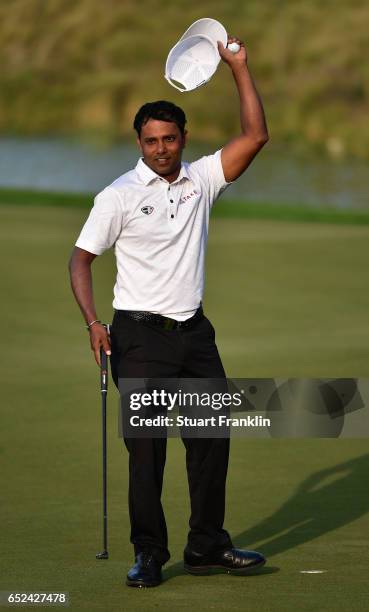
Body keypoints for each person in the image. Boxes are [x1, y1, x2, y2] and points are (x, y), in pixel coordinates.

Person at [69, 35, 269, 588]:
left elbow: (256, 135)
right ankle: (149, 554)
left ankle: (206, 547)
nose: (161, 148)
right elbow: (81, 260)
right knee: (146, 455)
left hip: (195, 335)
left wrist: (239, 66)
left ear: (183, 139)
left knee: (211, 442)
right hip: (138, 339)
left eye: (170, 139)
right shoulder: (117, 195)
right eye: (152, 140)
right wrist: (93, 323)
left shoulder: (202, 180)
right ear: (139, 141)